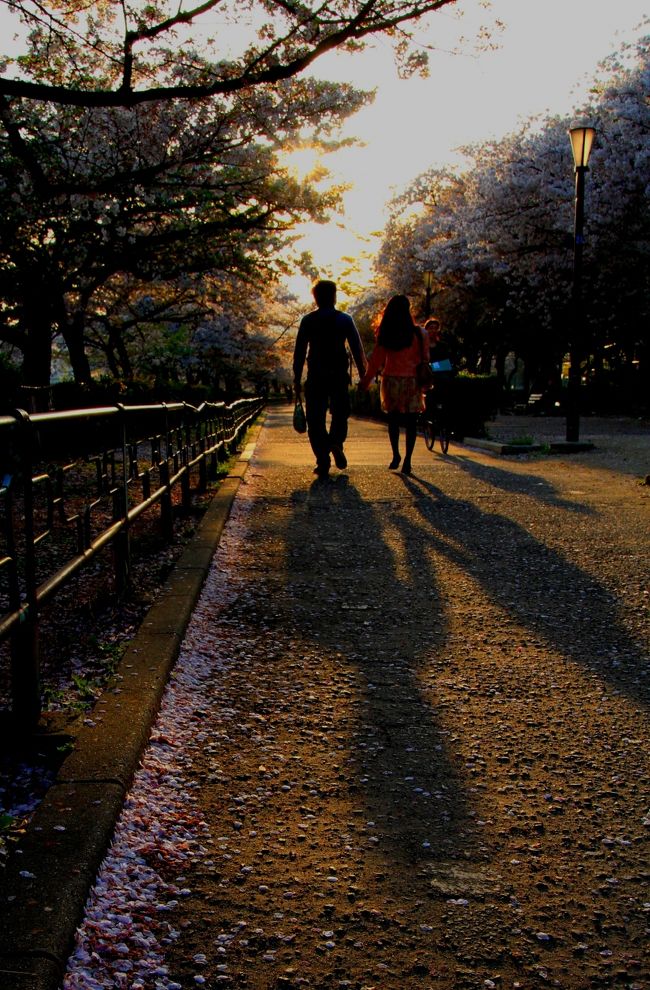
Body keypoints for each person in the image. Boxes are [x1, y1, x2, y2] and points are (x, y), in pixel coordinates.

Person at [293, 279, 367, 477]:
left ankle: (323, 460)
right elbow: (357, 350)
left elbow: (300, 351)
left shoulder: (308, 321)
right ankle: (335, 441)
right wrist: (363, 375)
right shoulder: (344, 319)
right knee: (340, 413)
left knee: (315, 419)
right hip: (338, 375)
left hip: (316, 375)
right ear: (334, 297)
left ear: (315, 298)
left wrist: (296, 377)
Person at [358, 294, 429, 476]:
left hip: (392, 381)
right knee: (412, 422)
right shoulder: (420, 334)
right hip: (412, 381)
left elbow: (375, 362)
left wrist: (365, 382)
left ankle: (396, 454)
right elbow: (425, 358)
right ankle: (408, 460)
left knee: (394, 420)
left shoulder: (386, 334)